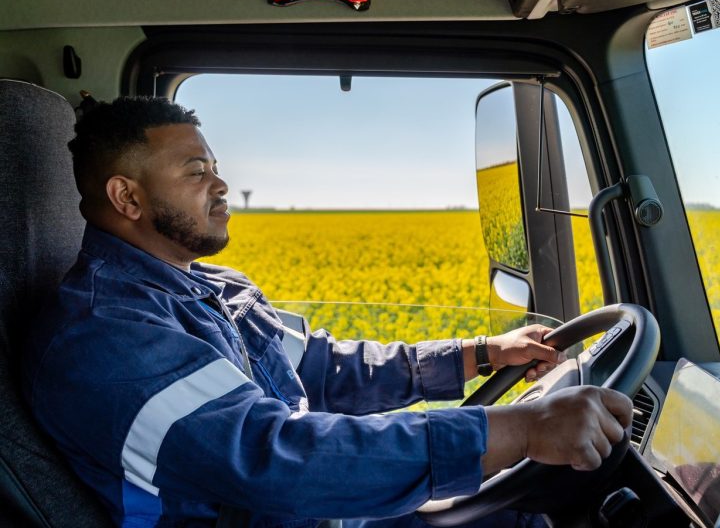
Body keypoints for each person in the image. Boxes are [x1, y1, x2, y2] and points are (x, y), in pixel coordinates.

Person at [22, 97, 633, 528]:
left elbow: (323, 366)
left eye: (215, 168)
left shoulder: (210, 287)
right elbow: (275, 455)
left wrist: (477, 355)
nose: (221, 186)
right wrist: (522, 430)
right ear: (126, 196)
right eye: (195, 172)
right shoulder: (107, 335)